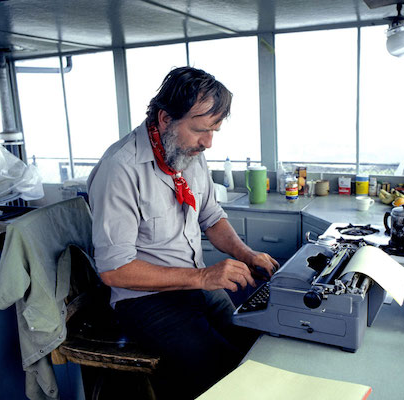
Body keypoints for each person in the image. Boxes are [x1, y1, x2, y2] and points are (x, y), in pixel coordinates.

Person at [87, 66, 279, 399]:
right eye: (200, 129)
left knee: (260, 345)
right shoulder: (119, 170)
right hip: (144, 301)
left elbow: (211, 216)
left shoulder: (187, 152)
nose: (208, 142)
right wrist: (204, 277)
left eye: (215, 130)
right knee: (224, 374)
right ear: (165, 118)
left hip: (194, 287)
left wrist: (245, 255)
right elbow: (114, 270)